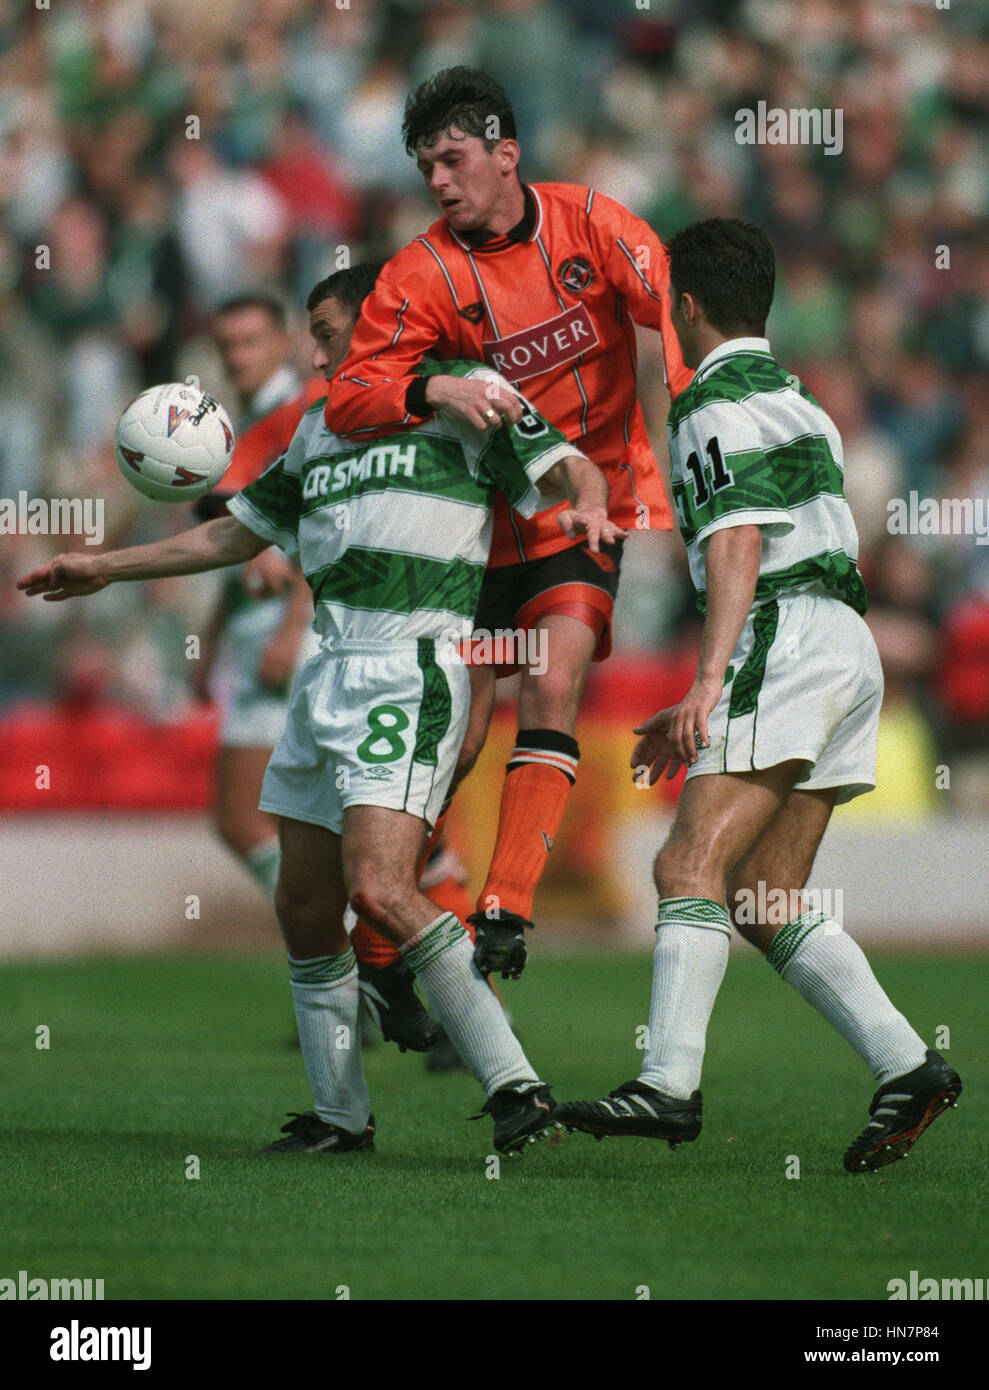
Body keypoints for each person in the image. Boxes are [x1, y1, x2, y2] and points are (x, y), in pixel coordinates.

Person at [18, 269, 624, 1157]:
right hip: (324, 673)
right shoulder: (318, 424)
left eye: (326, 330)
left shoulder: (465, 395)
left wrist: (596, 502)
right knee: (305, 903)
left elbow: (565, 462)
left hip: (410, 667)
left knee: (378, 886)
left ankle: (514, 1084)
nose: (315, 351)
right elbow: (238, 533)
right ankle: (341, 1118)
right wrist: (106, 566)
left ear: (381, 321)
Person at [555, 219, 962, 1173]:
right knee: (766, 896)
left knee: (684, 865)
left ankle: (667, 1085)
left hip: (781, 637)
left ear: (683, 308)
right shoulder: (802, 400)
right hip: (840, 644)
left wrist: (706, 678)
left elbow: (736, 540)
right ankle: (906, 1066)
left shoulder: (707, 403)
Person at [324, 67, 693, 984]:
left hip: (584, 510)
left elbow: (683, 321)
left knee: (552, 677)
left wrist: (703, 435)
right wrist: (429, 386)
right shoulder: (422, 272)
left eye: (453, 160)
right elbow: (347, 397)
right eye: (426, 169)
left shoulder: (597, 226)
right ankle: (384, 944)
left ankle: (506, 909)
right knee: (453, 740)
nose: (441, 182)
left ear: (505, 153)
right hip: (470, 540)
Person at [196, 294, 322, 904]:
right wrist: (212, 635)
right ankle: (346, 946)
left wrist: (292, 628)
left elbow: (319, 526)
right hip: (255, 633)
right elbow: (234, 544)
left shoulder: (297, 418)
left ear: (282, 344)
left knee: (242, 819)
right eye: (228, 346)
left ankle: (339, 942)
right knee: (293, 824)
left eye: (251, 343)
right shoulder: (236, 429)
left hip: (288, 634)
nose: (238, 357)